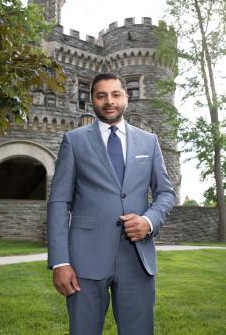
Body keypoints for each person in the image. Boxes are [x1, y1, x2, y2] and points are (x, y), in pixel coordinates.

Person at [47, 72, 175, 335]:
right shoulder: (75, 140)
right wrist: (60, 261)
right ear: (92, 100)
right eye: (101, 95)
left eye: (116, 94)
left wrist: (149, 221)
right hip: (84, 259)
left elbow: (165, 193)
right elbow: (59, 202)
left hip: (137, 259)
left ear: (126, 97)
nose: (109, 101)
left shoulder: (149, 141)